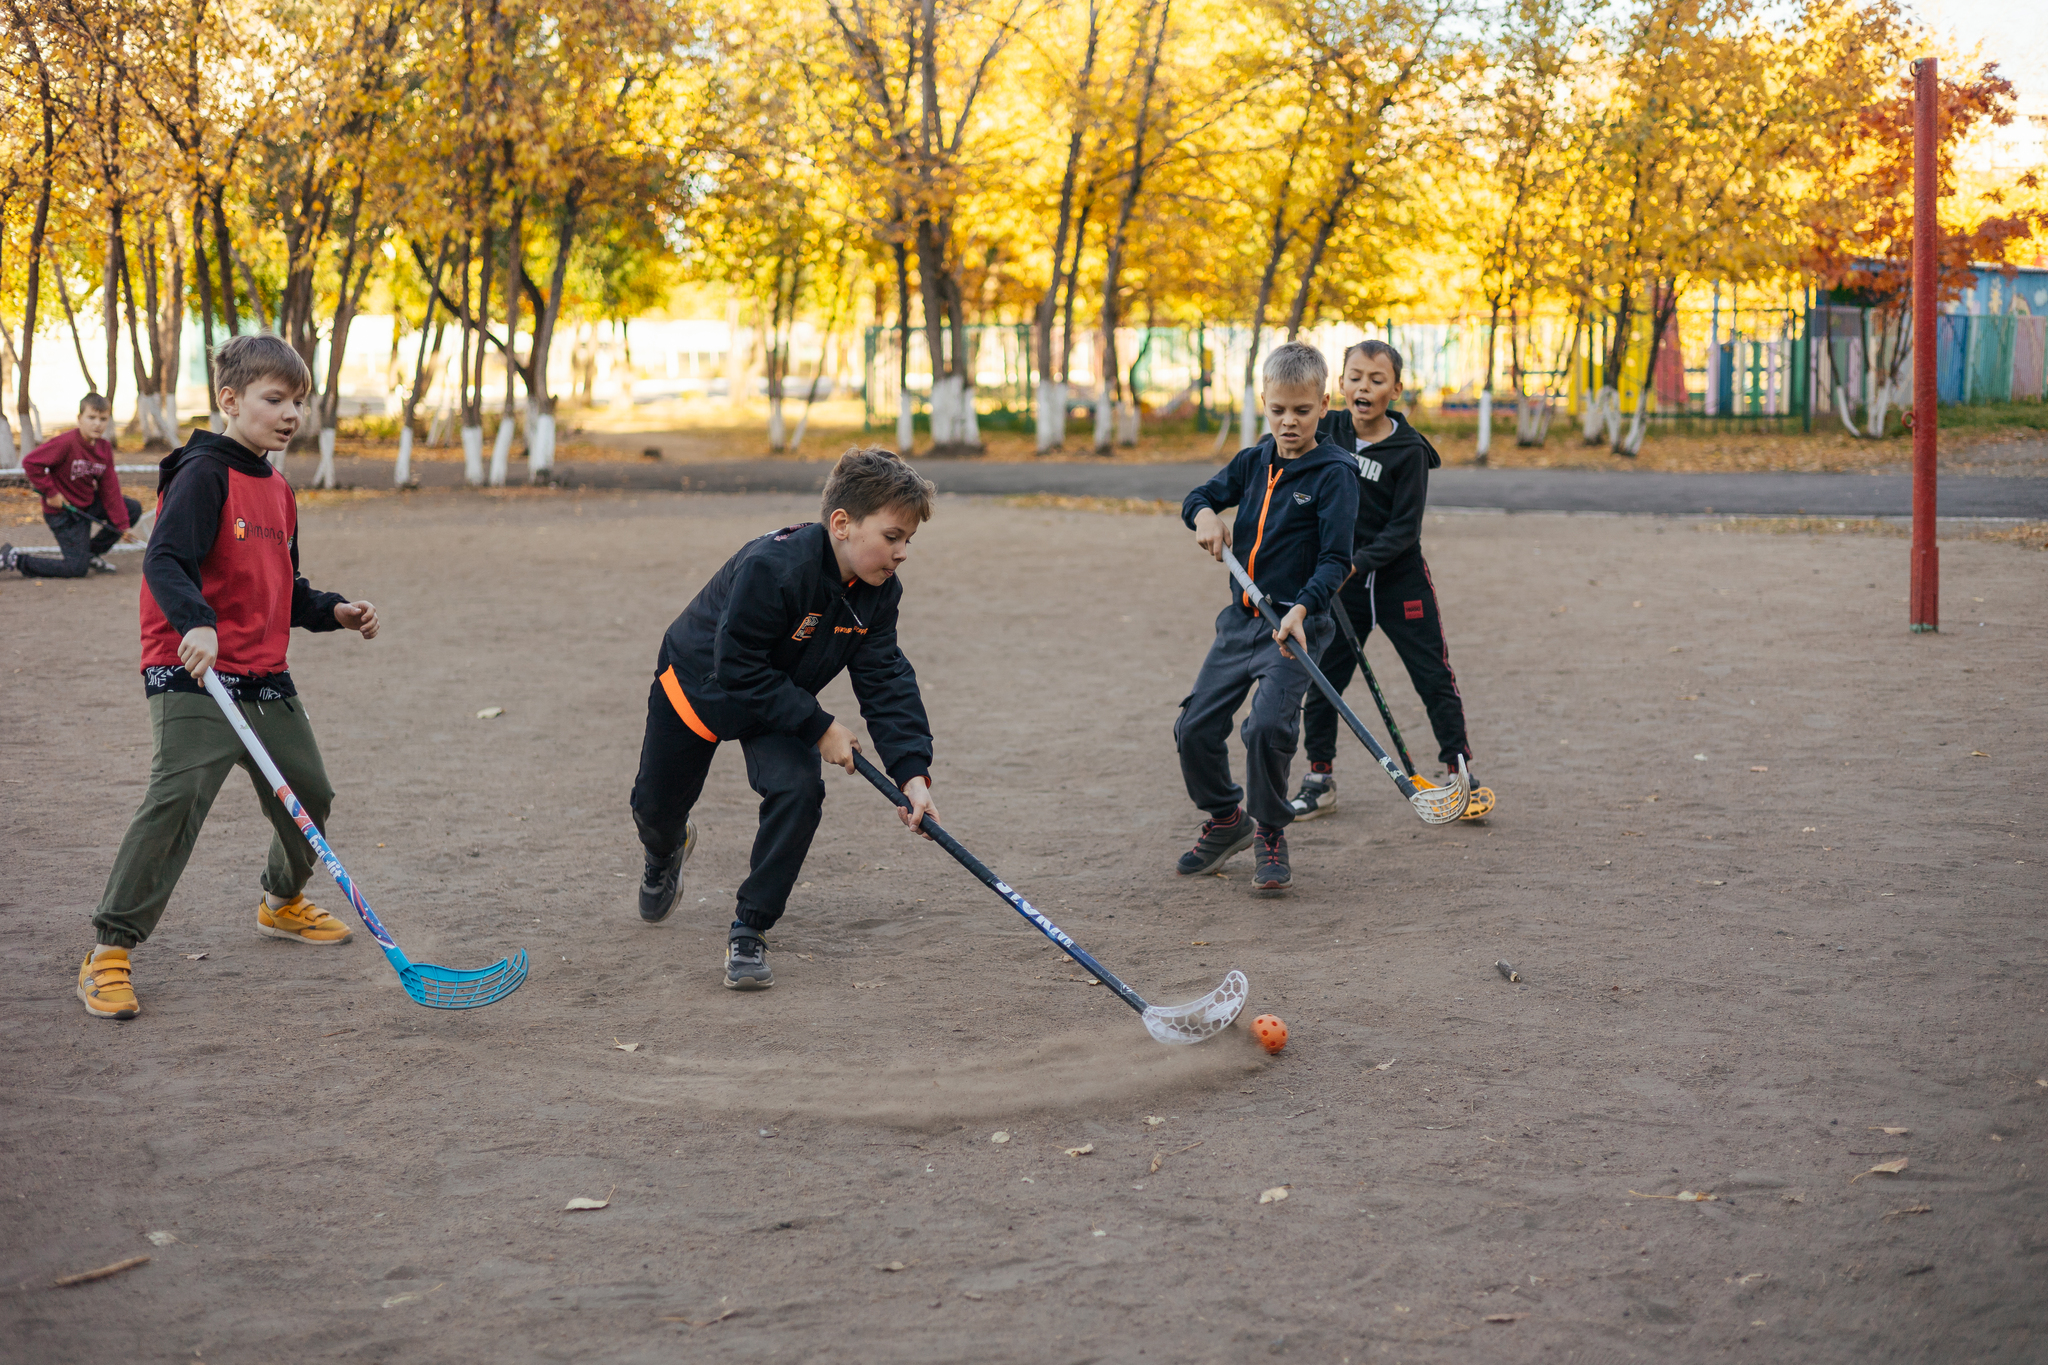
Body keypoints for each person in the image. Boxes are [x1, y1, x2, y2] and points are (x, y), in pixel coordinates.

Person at [75, 335, 382, 1022]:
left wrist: (333, 609)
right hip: (194, 672)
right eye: (275, 399)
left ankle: (281, 902)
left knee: (310, 793)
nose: (290, 414)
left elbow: (285, 586)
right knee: (178, 797)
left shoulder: (278, 487)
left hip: (263, 676)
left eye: (298, 401)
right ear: (230, 399)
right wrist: (197, 622)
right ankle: (108, 950)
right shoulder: (201, 474)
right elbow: (165, 560)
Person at [630, 446, 939, 990]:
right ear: (842, 524)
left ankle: (749, 929)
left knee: (799, 790)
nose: (903, 552)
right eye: (893, 537)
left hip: (779, 700)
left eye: (908, 540)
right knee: (655, 808)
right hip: (701, 687)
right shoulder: (772, 567)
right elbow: (738, 666)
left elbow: (886, 678)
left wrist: (912, 775)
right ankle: (664, 849)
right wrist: (820, 726)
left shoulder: (877, 593)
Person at [1175, 341, 1359, 894]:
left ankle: (1271, 830)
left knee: (1267, 729)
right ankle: (1229, 819)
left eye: (1302, 411)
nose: (1289, 422)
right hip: (1242, 621)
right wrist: (1205, 514)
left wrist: (1303, 608)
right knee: (1194, 729)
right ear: (1264, 403)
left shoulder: (1335, 473)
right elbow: (1200, 495)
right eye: (1278, 410)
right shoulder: (1255, 460)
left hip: (1296, 626)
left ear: (1323, 405)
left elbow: (1336, 561)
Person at [1286, 339, 1493, 822]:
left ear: (1395, 389)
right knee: (1325, 680)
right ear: (1339, 385)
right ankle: (1319, 780)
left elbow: (1404, 529)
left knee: (1432, 674)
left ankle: (1459, 771)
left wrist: (1351, 563)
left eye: (1376, 380)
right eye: (1355, 377)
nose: (1364, 387)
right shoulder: (1326, 429)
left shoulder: (1409, 451)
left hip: (1399, 582)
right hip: (1342, 591)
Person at [1, 394, 143, 578]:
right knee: (76, 569)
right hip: (63, 513)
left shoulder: (104, 448)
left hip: (86, 504)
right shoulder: (66, 442)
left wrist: (123, 526)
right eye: (91, 418)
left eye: (102, 419)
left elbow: (110, 489)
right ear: (79, 419)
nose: (97, 424)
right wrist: (51, 493)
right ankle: (15, 559)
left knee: (132, 509)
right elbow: (31, 462)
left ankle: (89, 553)